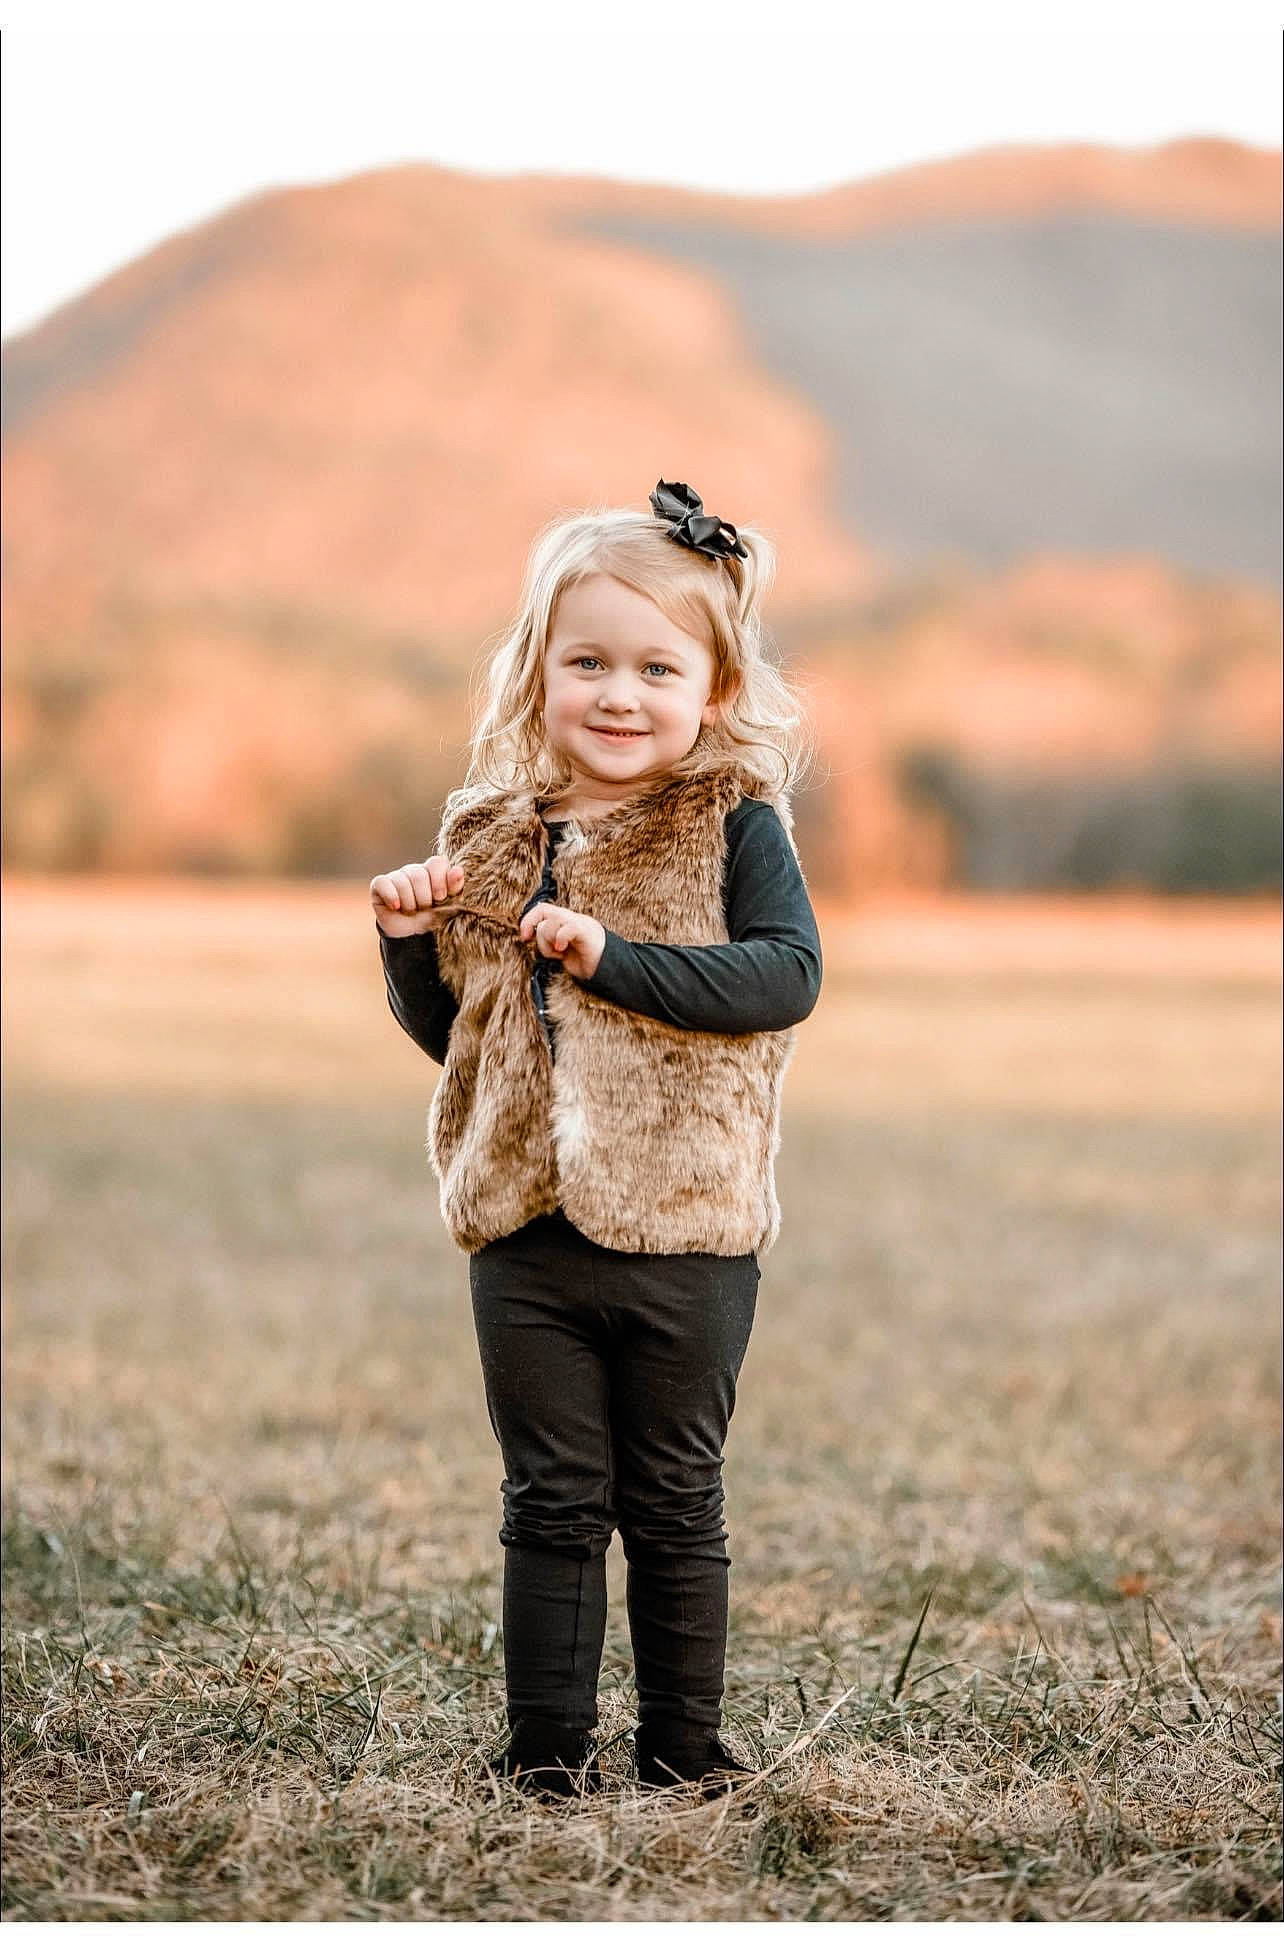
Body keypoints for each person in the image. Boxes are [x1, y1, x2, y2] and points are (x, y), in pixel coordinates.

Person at [369, 479, 823, 1803]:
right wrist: (406, 946)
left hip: (689, 1229)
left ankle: (685, 1750)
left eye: (655, 667)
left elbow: (782, 979)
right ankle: (545, 1758)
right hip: (522, 1226)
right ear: (539, 673)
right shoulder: (495, 834)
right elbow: (470, 1033)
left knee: (675, 1500)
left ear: (714, 686)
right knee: (554, 1501)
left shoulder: (735, 822)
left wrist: (615, 956)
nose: (620, 695)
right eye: (589, 663)